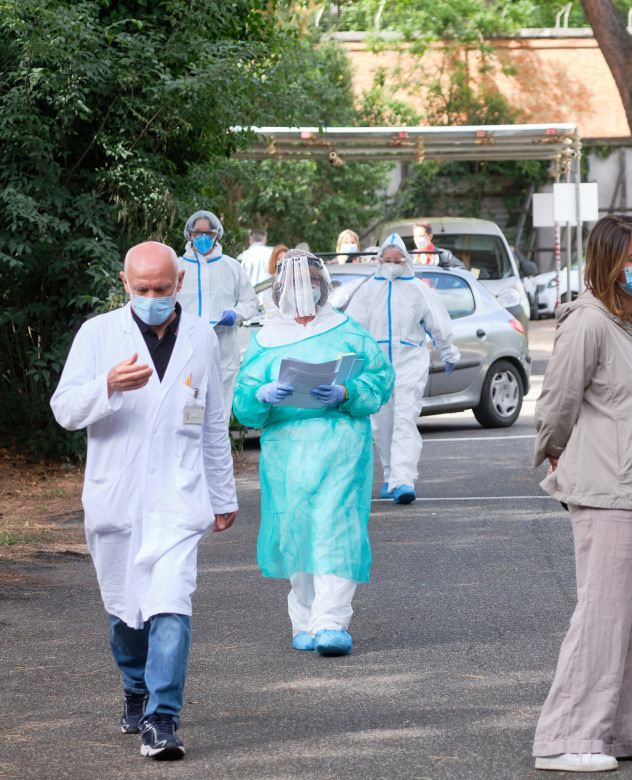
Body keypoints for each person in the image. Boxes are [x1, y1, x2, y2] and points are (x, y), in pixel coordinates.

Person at [50, 241, 238, 761]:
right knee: (126, 613)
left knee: (171, 603)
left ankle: (162, 718)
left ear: (180, 283)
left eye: (161, 288)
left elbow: (212, 422)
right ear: (124, 282)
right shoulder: (98, 334)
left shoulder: (200, 335)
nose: (152, 297)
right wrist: (106, 385)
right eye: (141, 289)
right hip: (118, 496)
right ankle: (134, 688)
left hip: (178, 498)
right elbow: (64, 409)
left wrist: (223, 494)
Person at [531, 214, 632, 773]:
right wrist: (554, 450)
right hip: (608, 491)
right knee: (600, 617)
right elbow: (557, 402)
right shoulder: (588, 321)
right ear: (608, 262)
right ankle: (564, 739)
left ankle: (625, 730)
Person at [233, 250, 393, 657]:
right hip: (286, 456)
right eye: (295, 287)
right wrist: (260, 394)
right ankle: (303, 620)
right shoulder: (265, 340)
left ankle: (330, 622)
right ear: (279, 292)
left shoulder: (349, 332)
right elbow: (244, 403)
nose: (304, 294)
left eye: (313, 284)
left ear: (324, 288)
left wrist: (347, 391)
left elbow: (380, 378)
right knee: (298, 533)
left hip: (341, 449)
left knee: (336, 529)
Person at [347, 234, 460, 504]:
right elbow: (351, 329)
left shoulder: (417, 289)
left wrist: (449, 351)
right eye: (387, 260)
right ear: (379, 260)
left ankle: (403, 481)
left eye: (397, 260)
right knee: (381, 423)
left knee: (405, 419)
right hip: (376, 367)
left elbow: (437, 322)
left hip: (410, 361)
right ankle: (389, 475)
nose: (392, 264)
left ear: (405, 261)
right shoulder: (367, 290)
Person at [176, 210, 260, 405]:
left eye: (209, 233)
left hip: (223, 353)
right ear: (189, 234)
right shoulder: (177, 267)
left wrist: (235, 314)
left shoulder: (232, 267)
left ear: (217, 235)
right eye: (198, 233)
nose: (203, 237)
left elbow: (251, 302)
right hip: (185, 350)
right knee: (186, 413)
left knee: (218, 415)